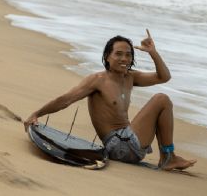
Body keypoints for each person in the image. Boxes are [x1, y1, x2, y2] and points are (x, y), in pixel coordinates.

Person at [24, 29, 196, 170]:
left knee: (163, 100)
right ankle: (169, 157)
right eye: (118, 54)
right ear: (107, 56)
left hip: (129, 140)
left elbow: (164, 77)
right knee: (161, 99)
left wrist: (153, 53)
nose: (124, 59)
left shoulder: (130, 77)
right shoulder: (98, 80)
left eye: (128, 55)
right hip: (119, 146)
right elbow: (66, 99)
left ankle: (168, 156)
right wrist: (37, 113)